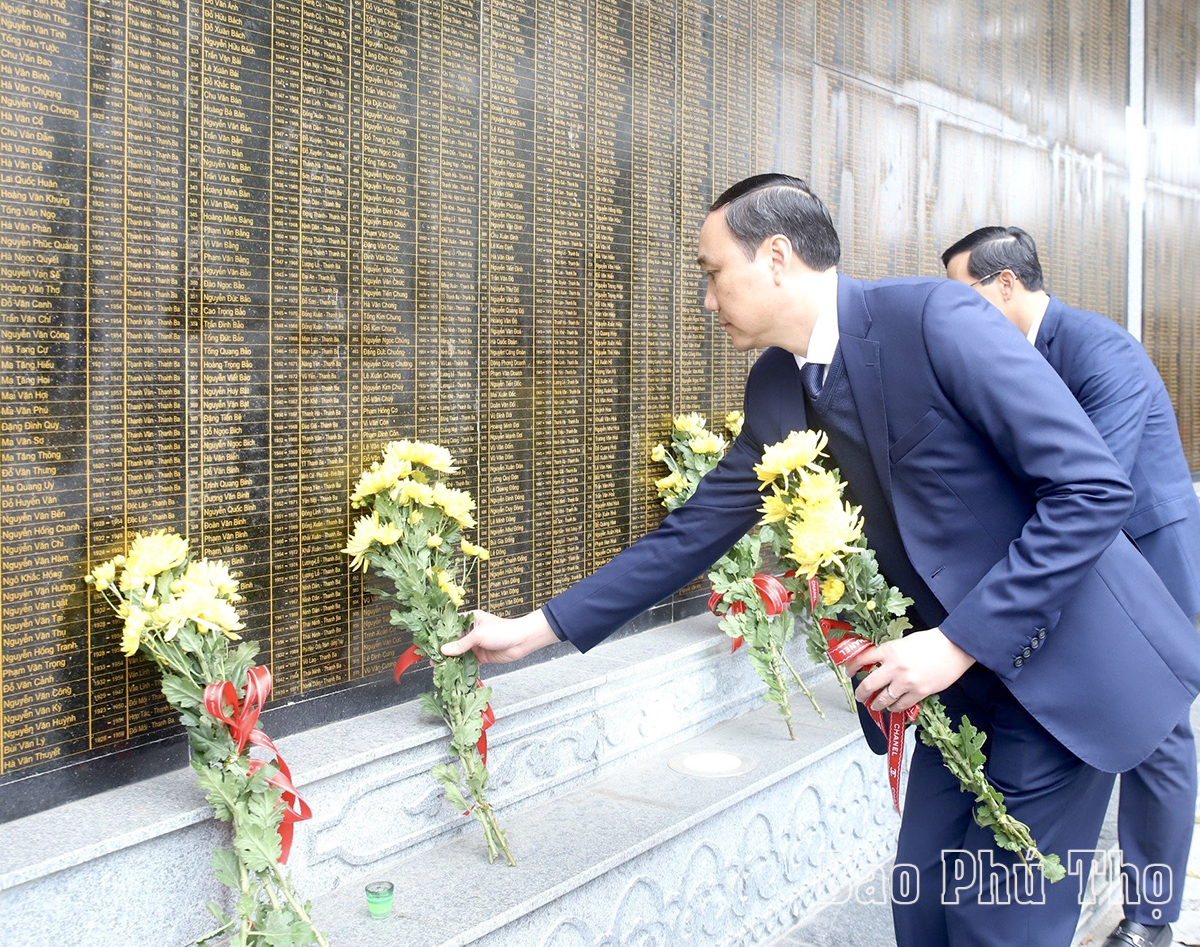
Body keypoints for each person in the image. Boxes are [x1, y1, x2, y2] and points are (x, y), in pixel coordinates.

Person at [442, 174, 1200, 946]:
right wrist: (534, 629)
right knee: (925, 912)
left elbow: (1091, 487)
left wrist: (957, 641)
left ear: (775, 257)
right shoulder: (777, 383)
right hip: (950, 693)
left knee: (997, 923)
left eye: (712, 273)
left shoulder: (936, 318)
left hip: (1059, 666)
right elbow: (695, 531)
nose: (708, 300)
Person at [943, 225, 1200, 947]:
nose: (950, 316)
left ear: (1003, 285)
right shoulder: (1000, 361)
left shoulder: (1098, 348)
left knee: (1159, 735)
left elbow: (1095, 479)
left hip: (1145, 560)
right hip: (1075, 568)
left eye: (961, 294)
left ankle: (1152, 919)